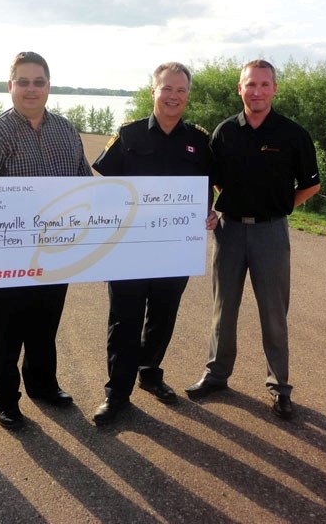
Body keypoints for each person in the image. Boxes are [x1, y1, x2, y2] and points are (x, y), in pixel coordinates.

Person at [185, 59, 320, 420]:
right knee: (222, 308)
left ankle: (279, 387)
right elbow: (213, 178)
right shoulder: (225, 131)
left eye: (264, 84)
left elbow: (311, 184)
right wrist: (220, 205)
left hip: (270, 232)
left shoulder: (292, 134)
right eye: (250, 85)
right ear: (239, 89)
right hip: (229, 232)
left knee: (273, 314)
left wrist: (278, 207)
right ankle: (216, 376)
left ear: (274, 88)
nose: (257, 91)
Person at [0, 51, 93, 430]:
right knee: (6, 333)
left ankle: (42, 385)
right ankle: (5, 399)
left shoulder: (66, 129)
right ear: (11, 86)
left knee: (45, 326)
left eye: (38, 82)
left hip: (56, 251)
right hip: (7, 257)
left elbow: (84, 182)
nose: (31, 89)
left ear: (48, 87)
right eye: (23, 82)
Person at [90, 62, 217, 425]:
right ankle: (117, 394)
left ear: (187, 96)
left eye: (181, 90)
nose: (174, 96)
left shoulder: (199, 141)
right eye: (167, 88)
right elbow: (103, 190)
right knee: (124, 320)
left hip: (175, 250)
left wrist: (213, 212)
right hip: (128, 249)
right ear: (153, 91)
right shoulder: (128, 135)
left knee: (163, 316)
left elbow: (214, 185)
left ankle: (149, 372)